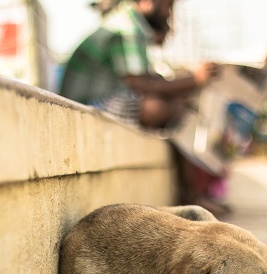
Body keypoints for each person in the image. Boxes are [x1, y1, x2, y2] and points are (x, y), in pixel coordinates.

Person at [60, 0, 230, 215]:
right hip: (87, 104)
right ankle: (192, 195)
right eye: (168, 6)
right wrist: (195, 80)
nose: (169, 14)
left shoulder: (132, 25)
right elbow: (141, 84)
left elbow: (148, 80)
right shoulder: (126, 28)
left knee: (178, 107)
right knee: (157, 109)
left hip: (105, 100)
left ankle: (194, 194)